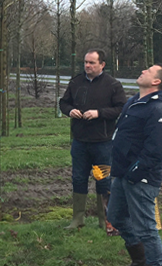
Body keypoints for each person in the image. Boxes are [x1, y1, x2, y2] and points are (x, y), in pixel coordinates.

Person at [107, 64, 162, 266]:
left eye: (149, 70)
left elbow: (154, 150)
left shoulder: (158, 109)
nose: (143, 71)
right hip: (122, 174)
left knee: (146, 229)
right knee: (116, 217)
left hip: (140, 178)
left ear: (157, 81)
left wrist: (135, 172)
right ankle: (140, 259)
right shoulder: (134, 102)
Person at [59, 49, 126, 233]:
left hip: (103, 142)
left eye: (92, 63)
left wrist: (99, 113)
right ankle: (77, 219)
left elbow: (121, 108)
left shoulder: (112, 85)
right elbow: (63, 102)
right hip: (80, 141)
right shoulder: (76, 82)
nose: (87, 66)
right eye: (86, 62)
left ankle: (105, 220)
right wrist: (69, 110)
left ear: (102, 64)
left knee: (103, 180)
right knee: (78, 178)